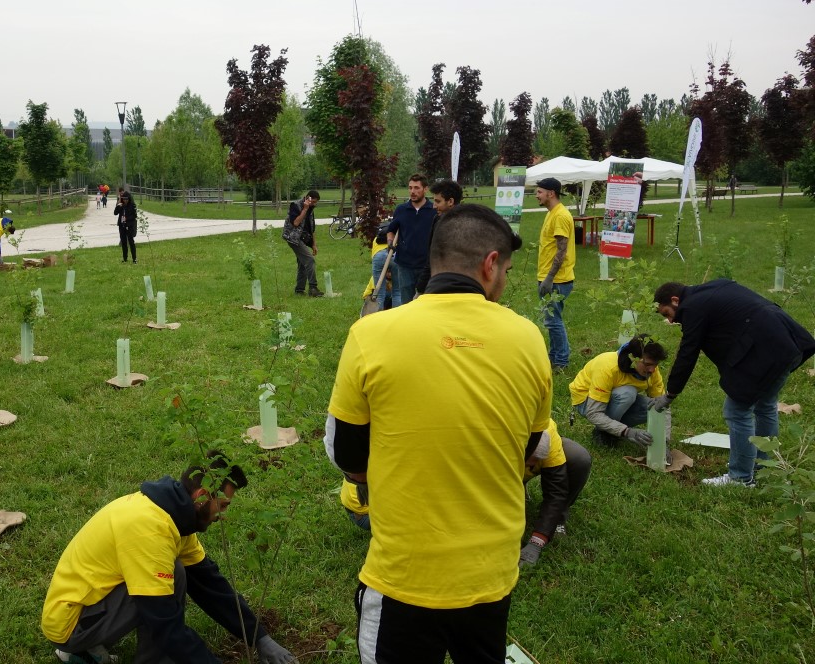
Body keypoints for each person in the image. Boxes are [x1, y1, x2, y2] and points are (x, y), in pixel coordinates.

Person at [326, 204, 551, 663]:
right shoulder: (529, 338)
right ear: (490, 265)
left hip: (405, 573)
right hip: (492, 573)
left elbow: (348, 457)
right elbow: (528, 447)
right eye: (506, 271)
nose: (504, 281)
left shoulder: (371, 333)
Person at [40, 452, 297, 664]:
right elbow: (165, 623)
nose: (223, 514)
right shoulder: (149, 529)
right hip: (71, 624)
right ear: (202, 497)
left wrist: (259, 638)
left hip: (91, 605)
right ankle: (83, 648)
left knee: (178, 572)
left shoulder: (174, 516)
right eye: (224, 505)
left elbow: (209, 584)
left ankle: (90, 652)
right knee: (167, 581)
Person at [653, 280, 815, 486]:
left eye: (667, 313)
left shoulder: (692, 306)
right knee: (765, 405)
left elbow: (688, 352)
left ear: (675, 300)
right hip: (788, 342)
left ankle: (740, 477)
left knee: (737, 411)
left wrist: (671, 393)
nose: (671, 320)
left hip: (767, 350)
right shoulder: (712, 289)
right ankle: (764, 467)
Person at [570, 335, 668, 449]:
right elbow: (593, 413)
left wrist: (664, 442)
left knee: (652, 408)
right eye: (647, 364)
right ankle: (604, 432)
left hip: (616, 397)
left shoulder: (652, 370)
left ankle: (612, 427)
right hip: (587, 401)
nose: (652, 369)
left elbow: (663, 406)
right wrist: (627, 432)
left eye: (655, 365)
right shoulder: (607, 367)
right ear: (633, 358)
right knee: (627, 394)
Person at [519, 418, 592, 568]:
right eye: (529, 462)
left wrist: (537, 542)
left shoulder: (550, 442)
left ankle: (558, 519)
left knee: (579, 458)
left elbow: (556, 492)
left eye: (536, 461)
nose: (531, 466)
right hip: (503, 459)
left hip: (531, 451)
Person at [535, 177, 576, 369]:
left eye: (539, 192)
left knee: (553, 322)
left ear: (551, 193)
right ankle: (553, 357)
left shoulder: (560, 216)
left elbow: (562, 250)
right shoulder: (552, 213)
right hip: (548, 277)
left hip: (556, 280)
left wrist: (549, 278)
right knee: (551, 320)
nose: (537, 196)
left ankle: (561, 361)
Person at [385, 174, 437, 306]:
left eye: (416, 188)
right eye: (410, 188)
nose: (412, 192)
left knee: (426, 304)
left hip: (426, 266)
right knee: (406, 304)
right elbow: (391, 230)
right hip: (405, 265)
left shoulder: (433, 211)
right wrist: (390, 242)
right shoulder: (401, 210)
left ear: (425, 189)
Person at [414, 179, 464, 293]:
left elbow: (434, 257)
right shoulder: (438, 219)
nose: (434, 206)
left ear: (450, 201)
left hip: (449, 285)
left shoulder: (463, 224)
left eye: (438, 201)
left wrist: (420, 287)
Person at [283, 190, 321, 297]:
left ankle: (299, 290)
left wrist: (314, 244)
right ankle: (313, 288)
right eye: (313, 201)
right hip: (292, 237)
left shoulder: (311, 209)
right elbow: (295, 223)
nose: (314, 204)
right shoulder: (295, 205)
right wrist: (305, 209)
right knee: (309, 260)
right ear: (307, 198)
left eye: (315, 202)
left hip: (302, 238)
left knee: (302, 263)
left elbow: (312, 227)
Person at [114, 190, 138, 263]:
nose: (125, 200)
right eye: (124, 199)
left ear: (129, 199)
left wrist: (127, 219)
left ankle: (134, 259)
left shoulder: (132, 206)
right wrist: (118, 206)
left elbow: (134, 216)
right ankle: (125, 258)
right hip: (122, 226)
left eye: (127, 199)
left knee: (131, 242)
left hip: (129, 226)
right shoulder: (121, 205)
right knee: (124, 242)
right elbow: (115, 213)